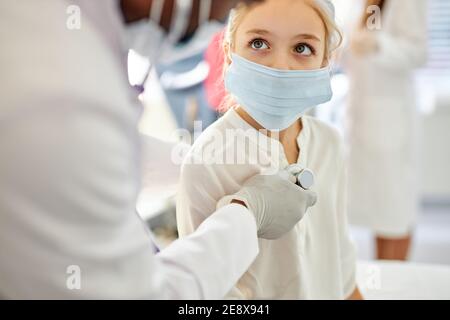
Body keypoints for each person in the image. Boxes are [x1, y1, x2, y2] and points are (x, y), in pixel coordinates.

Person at [0, 0, 316, 299]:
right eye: (233, 4)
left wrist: (194, 164)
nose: (221, 18)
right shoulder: (56, 88)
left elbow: (80, 160)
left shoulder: (65, 35)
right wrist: (248, 215)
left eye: (303, 47)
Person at [177, 0, 363, 299]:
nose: (280, 66)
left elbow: (341, 261)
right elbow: (205, 290)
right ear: (229, 53)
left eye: (302, 48)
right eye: (259, 42)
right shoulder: (207, 161)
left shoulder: (329, 143)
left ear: (325, 61)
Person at [344, 0, 428, 260]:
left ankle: (393, 286)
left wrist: (379, 45)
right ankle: (378, 287)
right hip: (361, 117)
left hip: (392, 121)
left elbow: (418, 53)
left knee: (395, 213)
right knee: (374, 212)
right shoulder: (358, 4)